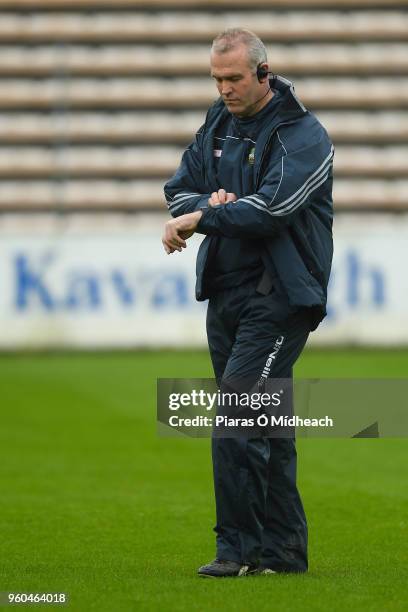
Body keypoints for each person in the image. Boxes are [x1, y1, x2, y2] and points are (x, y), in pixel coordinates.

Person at [162, 28, 334, 578]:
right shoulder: (216, 121)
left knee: (236, 414)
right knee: (267, 422)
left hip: (281, 296)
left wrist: (204, 216)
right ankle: (283, 554)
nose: (224, 89)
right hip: (228, 293)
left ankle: (235, 552)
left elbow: (272, 208)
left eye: (233, 78)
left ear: (263, 73)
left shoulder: (303, 134)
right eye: (216, 79)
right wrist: (202, 206)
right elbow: (179, 187)